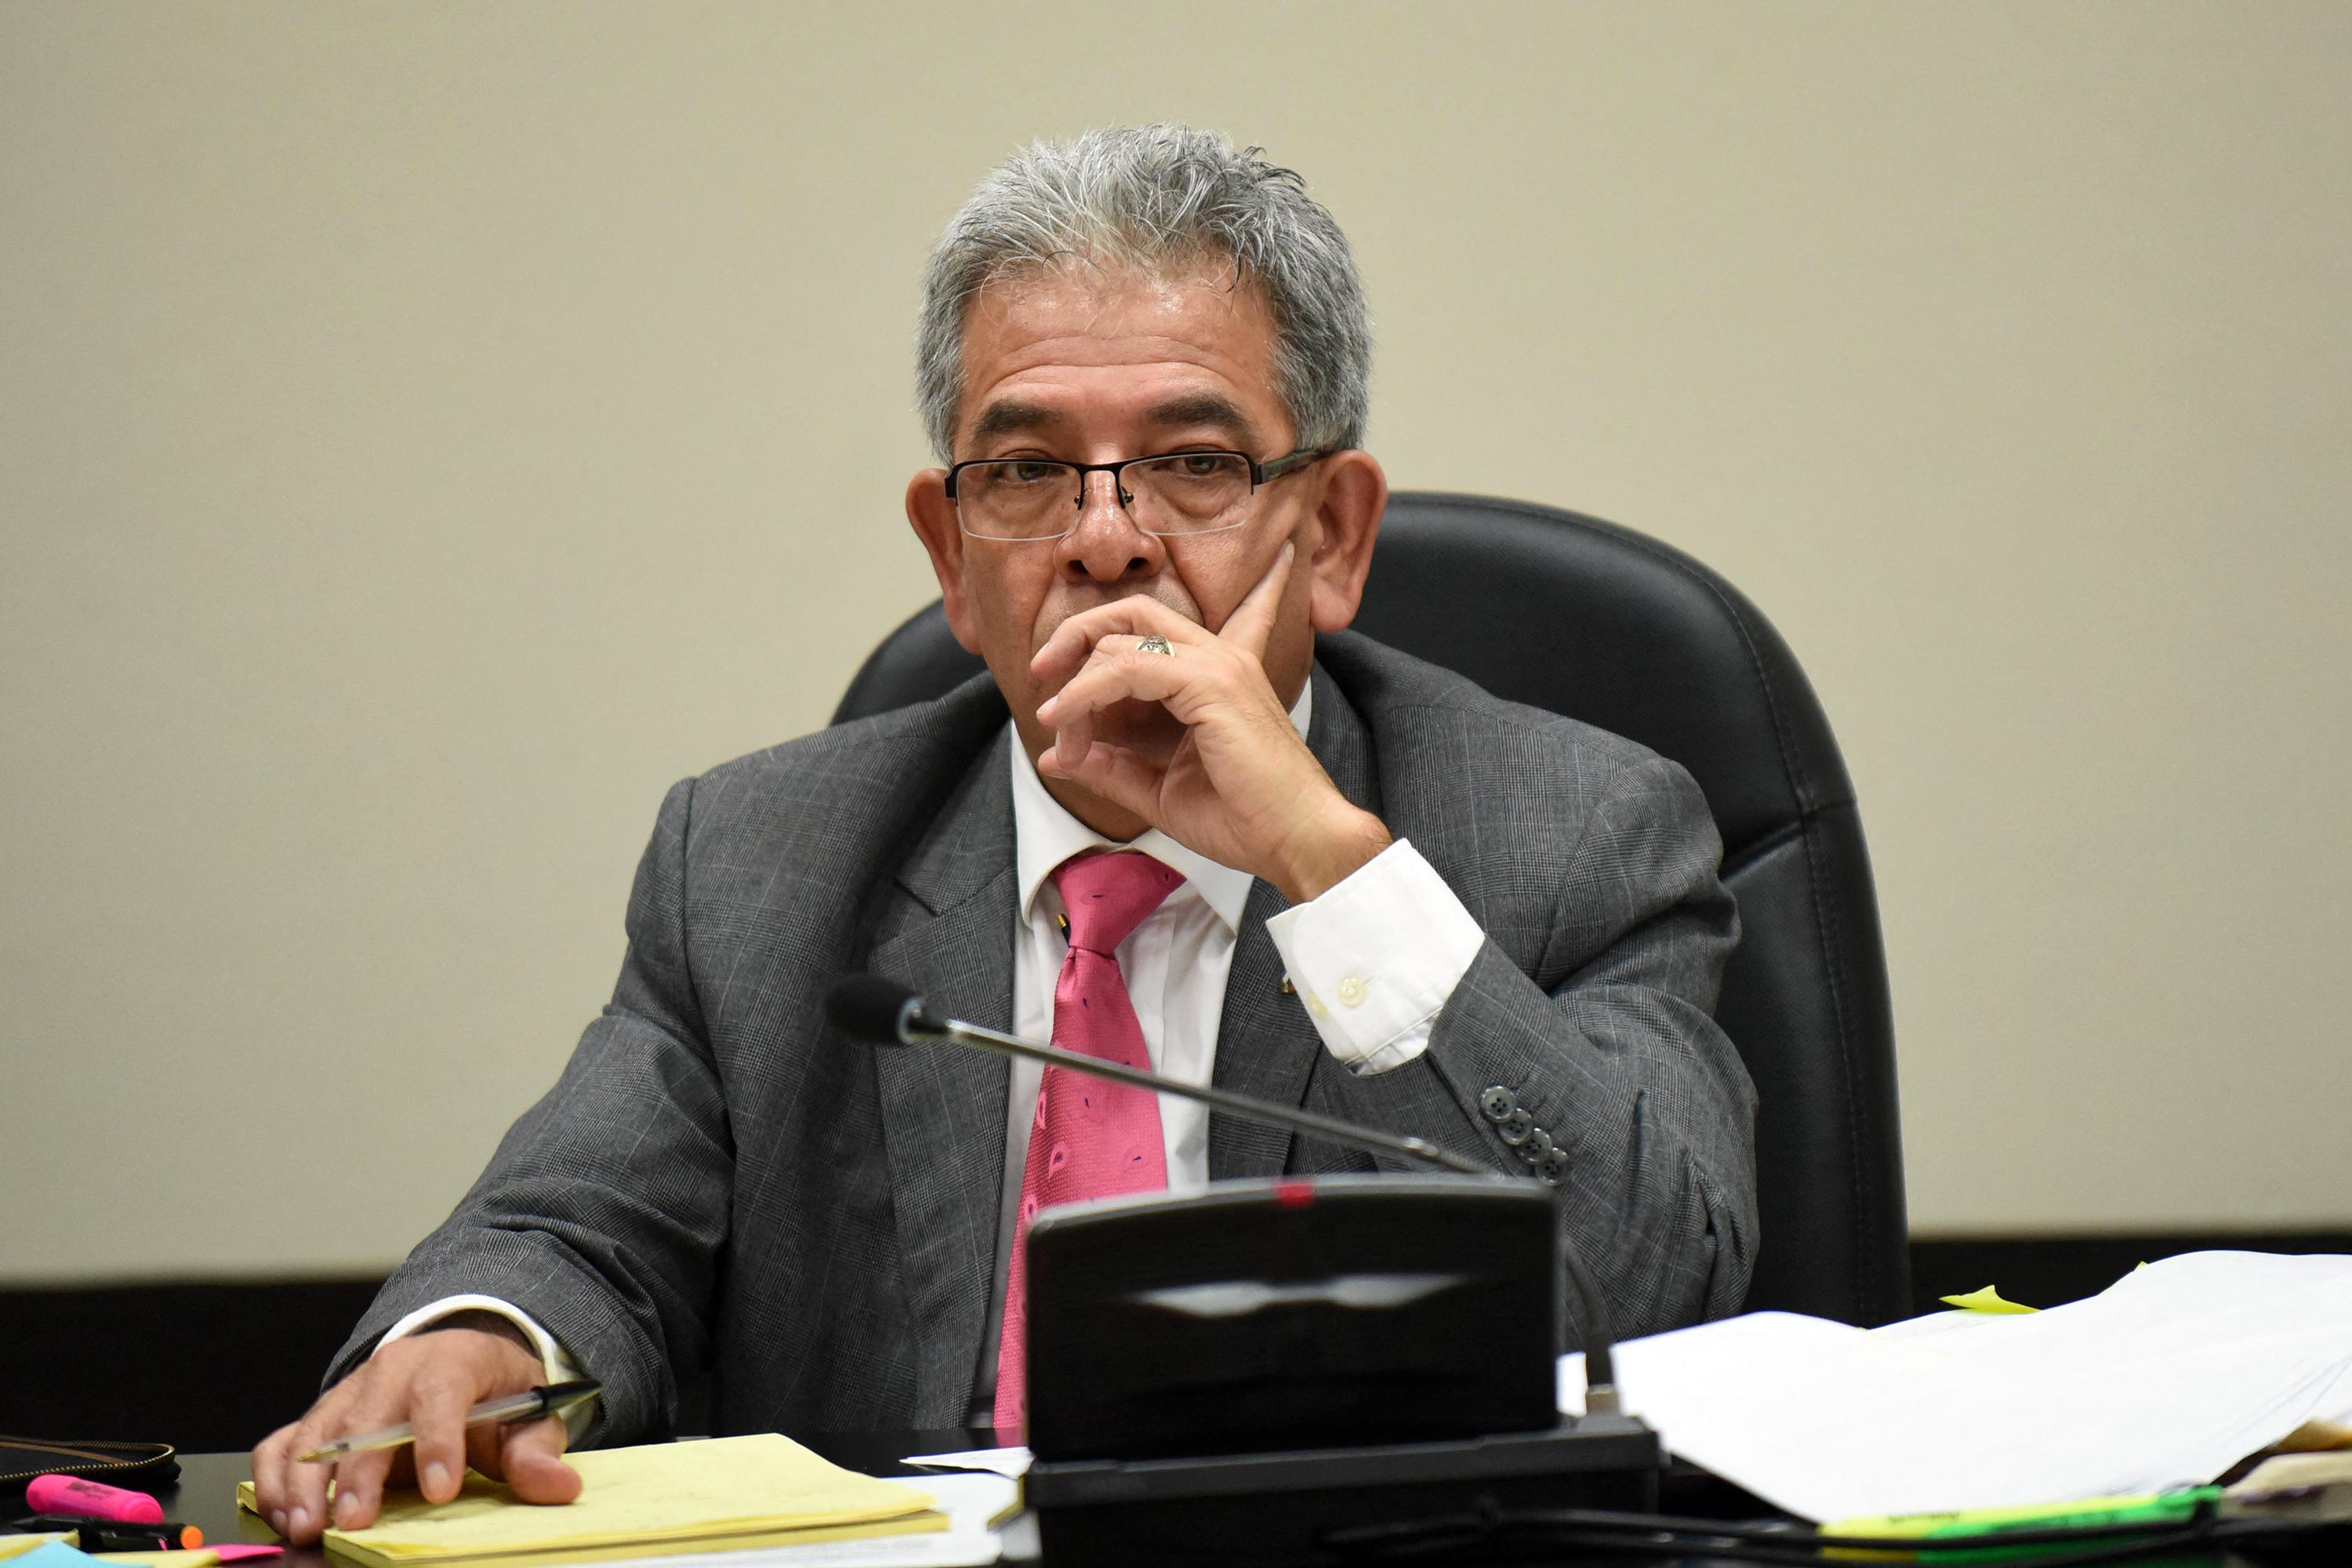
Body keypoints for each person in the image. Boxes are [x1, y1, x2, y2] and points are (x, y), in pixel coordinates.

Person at [250, 125, 1758, 1544]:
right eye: (1030, 472)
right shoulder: (761, 866)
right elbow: (577, 1233)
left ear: (1336, 535)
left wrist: (1325, 862)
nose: (1105, 538)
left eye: (1194, 462)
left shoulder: (1575, 832)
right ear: (953, 557)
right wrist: (469, 1341)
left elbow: (1659, 1289)